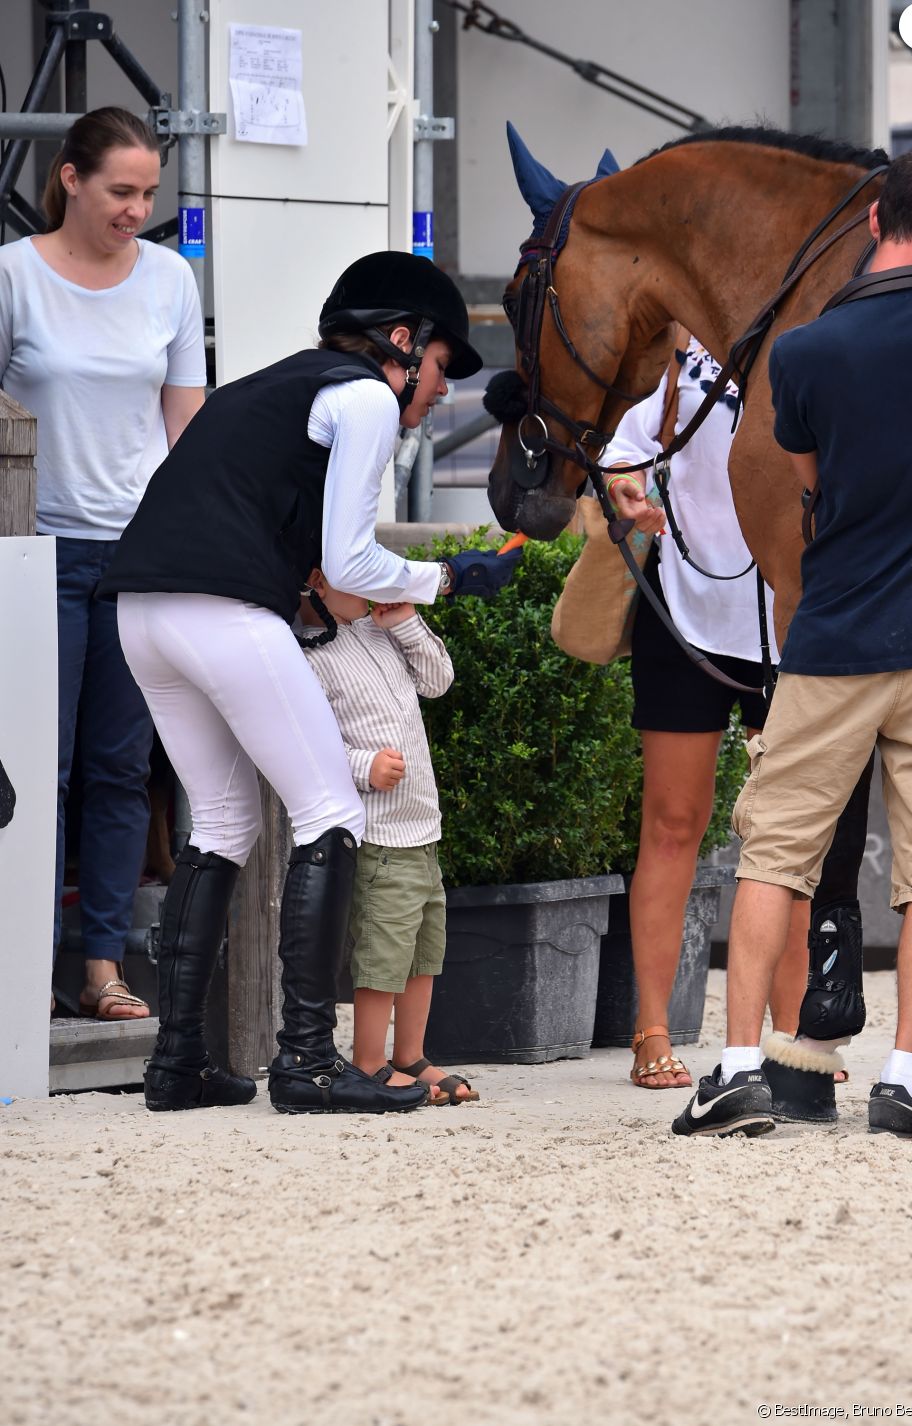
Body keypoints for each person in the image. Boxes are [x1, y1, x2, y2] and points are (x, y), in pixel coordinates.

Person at [98, 250, 522, 1115]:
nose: (439, 391)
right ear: (401, 342)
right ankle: (307, 1064)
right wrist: (448, 578)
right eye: (440, 367)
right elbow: (348, 558)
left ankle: (176, 1066)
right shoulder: (364, 393)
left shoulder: (271, 385)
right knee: (329, 808)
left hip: (141, 609)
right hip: (220, 607)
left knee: (219, 822)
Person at [672, 148, 912, 1140]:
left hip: (831, 636)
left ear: (874, 225)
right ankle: (908, 1080)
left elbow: (805, 473)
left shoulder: (800, 352)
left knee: (773, 855)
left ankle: (737, 1067)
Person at [0, 107, 206, 1020]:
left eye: (150, 193)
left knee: (122, 770)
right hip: (35, 546)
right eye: (122, 190)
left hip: (136, 551)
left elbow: (187, 425)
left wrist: (193, 547)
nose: (138, 208)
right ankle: (25, 968)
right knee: (35, 768)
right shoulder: (13, 276)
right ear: (71, 179)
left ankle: (102, 971)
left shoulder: (170, 278)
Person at [601, 334, 809, 1090]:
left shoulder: (805, 338)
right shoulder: (678, 349)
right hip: (684, 608)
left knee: (785, 831)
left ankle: (793, 1032)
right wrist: (626, 485)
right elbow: (618, 449)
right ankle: (649, 1029)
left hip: (788, 618)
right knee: (673, 821)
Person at [299, 571, 478, 1105]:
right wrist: (365, 766)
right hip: (380, 833)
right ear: (317, 583)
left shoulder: (380, 631)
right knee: (384, 951)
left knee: (424, 949)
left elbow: (438, 680)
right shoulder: (309, 660)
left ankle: (411, 1055)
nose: (375, 585)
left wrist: (406, 622)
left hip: (424, 826)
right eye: (361, 575)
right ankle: (370, 1060)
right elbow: (309, 748)